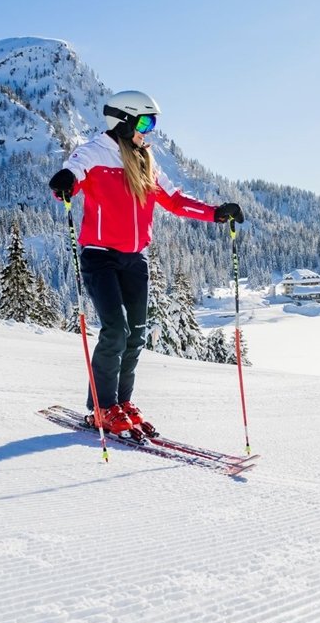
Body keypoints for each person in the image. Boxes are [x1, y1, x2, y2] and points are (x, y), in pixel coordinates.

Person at [49, 90, 244, 441]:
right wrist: (65, 182)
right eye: (144, 122)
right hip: (99, 256)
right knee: (115, 331)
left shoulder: (146, 162)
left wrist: (215, 213)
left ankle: (122, 402)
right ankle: (102, 407)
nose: (148, 131)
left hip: (135, 259)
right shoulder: (94, 152)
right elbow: (73, 173)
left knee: (136, 335)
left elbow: (174, 200)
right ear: (123, 121)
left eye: (152, 123)